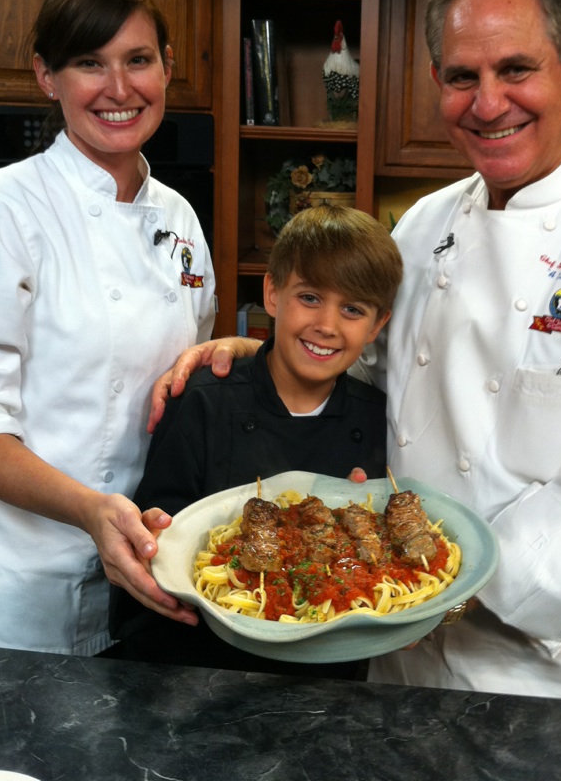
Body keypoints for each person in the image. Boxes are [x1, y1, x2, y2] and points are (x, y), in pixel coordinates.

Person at [148, 0, 561, 707]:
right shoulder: (424, 227)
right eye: (462, 77)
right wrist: (262, 355)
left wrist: (435, 579)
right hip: (401, 645)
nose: (488, 103)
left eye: (516, 69)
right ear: (437, 85)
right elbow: (365, 376)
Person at [0, 0, 216, 657]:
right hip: (12, 590)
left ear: (167, 68)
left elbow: (187, 379)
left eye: (138, 60)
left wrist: (247, 352)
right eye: (89, 64)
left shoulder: (180, 217)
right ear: (47, 76)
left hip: (145, 575)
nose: (118, 89)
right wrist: (88, 510)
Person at [109, 203, 402, 678]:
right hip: (200, 670)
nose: (327, 325)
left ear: (376, 326)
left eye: (352, 309)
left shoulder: (379, 418)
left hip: (334, 679)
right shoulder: (202, 403)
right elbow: (156, 554)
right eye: (309, 297)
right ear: (271, 293)